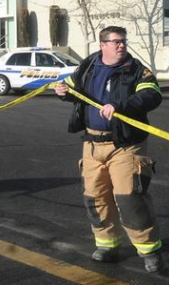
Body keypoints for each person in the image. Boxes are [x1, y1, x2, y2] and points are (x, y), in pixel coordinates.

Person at [55, 26, 163, 273]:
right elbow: (73, 88)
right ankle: (107, 245)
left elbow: (152, 95)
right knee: (95, 197)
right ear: (103, 44)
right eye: (116, 42)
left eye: (123, 41)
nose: (122, 45)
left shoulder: (136, 69)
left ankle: (149, 250)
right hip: (92, 145)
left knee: (129, 198)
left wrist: (120, 106)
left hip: (125, 145)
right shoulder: (89, 66)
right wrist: (63, 91)